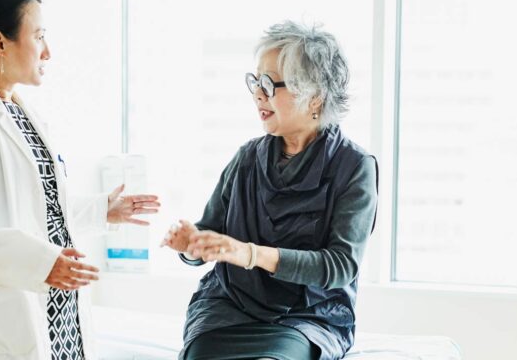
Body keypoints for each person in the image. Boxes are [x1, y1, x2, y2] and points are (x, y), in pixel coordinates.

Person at [0, 0, 160, 360]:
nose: (48, 51)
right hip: (3, 315)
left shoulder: (21, 113)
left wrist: (100, 210)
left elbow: (31, 208)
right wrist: (39, 263)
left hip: (57, 309)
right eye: (40, 36)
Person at [161, 21, 378, 360]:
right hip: (228, 306)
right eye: (255, 81)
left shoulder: (354, 166)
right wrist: (192, 246)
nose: (258, 94)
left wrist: (250, 254)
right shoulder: (248, 157)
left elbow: (340, 266)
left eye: (269, 83)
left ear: (315, 96)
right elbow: (211, 233)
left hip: (308, 317)